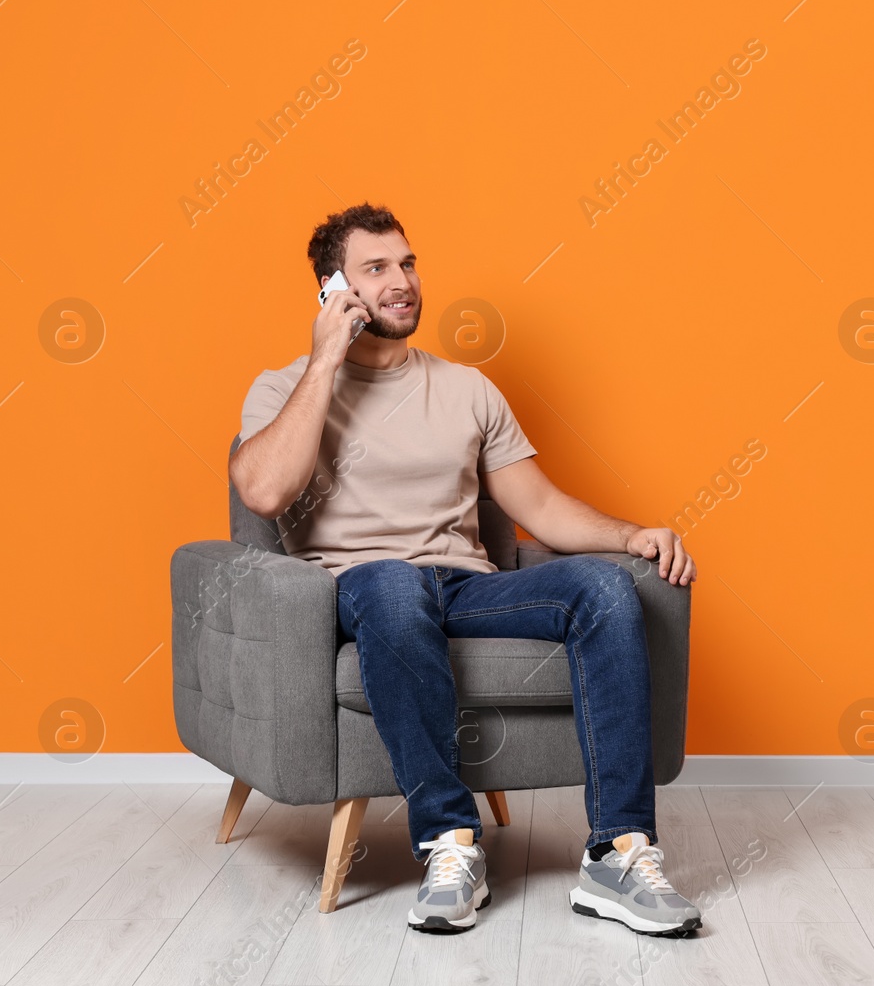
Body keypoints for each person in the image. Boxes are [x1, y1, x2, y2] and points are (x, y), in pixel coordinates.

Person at [227, 202, 702, 938]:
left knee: (605, 587)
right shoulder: (284, 388)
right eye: (376, 268)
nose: (402, 282)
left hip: (467, 588)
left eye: (408, 263)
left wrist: (631, 532)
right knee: (390, 581)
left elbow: (540, 507)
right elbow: (261, 490)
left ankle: (619, 851)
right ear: (332, 290)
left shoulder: (467, 389)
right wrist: (324, 359)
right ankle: (451, 843)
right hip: (369, 590)